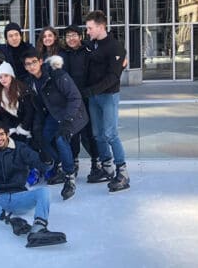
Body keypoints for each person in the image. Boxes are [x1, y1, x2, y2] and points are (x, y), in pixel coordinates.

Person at [0, 121, 66, 248]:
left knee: (44, 191)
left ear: (7, 134)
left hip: (19, 198)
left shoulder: (21, 148)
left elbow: (39, 163)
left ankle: (39, 228)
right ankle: (11, 219)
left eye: (1, 134)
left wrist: (47, 161)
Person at [24, 49, 88, 200]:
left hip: (74, 114)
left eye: (34, 62)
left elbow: (75, 97)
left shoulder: (57, 75)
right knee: (44, 139)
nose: (31, 66)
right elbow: (39, 108)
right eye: (28, 64)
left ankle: (69, 177)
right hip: (55, 116)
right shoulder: (31, 82)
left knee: (61, 139)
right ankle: (60, 165)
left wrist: (67, 122)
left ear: (40, 61)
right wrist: (38, 129)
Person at [82, 10, 129, 193]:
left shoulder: (115, 47)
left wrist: (91, 91)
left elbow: (113, 76)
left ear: (101, 27)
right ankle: (107, 167)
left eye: (90, 28)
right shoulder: (93, 45)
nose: (88, 32)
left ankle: (123, 173)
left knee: (110, 134)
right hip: (94, 97)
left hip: (108, 96)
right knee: (98, 134)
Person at [63, 25, 104, 181]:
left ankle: (96, 162)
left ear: (80, 36)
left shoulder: (88, 51)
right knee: (73, 133)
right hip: (70, 100)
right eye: (68, 36)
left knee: (89, 133)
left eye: (74, 35)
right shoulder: (63, 54)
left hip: (87, 98)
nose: (71, 39)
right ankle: (74, 161)